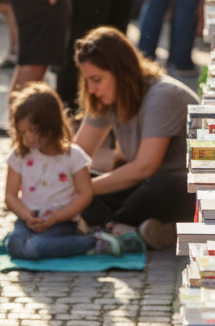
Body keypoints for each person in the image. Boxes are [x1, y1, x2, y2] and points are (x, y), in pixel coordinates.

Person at [73, 27, 197, 250]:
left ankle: (113, 226)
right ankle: (135, 229)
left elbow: (145, 167)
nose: (91, 89)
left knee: (158, 188)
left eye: (97, 79)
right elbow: (75, 157)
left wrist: (83, 191)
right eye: (87, 81)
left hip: (179, 188)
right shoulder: (105, 96)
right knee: (79, 181)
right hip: (142, 186)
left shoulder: (162, 95)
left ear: (120, 72)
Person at [4, 83, 129, 260]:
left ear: (50, 124)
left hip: (61, 221)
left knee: (35, 248)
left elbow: (85, 193)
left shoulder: (73, 156)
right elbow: (10, 195)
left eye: (33, 130)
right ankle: (50, 244)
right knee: (14, 245)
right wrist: (26, 216)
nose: (28, 138)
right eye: (23, 133)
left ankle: (94, 242)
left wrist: (57, 217)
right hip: (29, 219)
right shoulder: (19, 155)